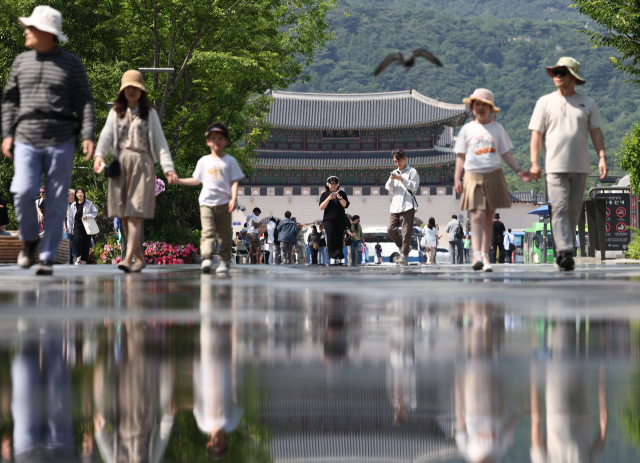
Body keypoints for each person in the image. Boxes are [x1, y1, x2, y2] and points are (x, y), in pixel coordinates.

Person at [2, 5, 96, 275]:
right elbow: (9, 102)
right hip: (26, 138)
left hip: (61, 140)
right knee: (21, 191)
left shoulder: (71, 63)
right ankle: (31, 239)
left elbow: (85, 102)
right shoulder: (21, 62)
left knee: (55, 201)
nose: (26, 31)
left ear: (46, 33)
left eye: (31, 27)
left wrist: (88, 134)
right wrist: (7, 132)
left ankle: (46, 255)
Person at [93, 70, 178, 273]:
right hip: (119, 164)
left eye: (135, 88)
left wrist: (168, 168)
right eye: (128, 88)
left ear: (141, 91)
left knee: (135, 212)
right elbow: (106, 135)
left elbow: (160, 143)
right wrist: (99, 156)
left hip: (142, 163)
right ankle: (139, 258)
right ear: (123, 90)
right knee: (123, 213)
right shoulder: (115, 112)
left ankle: (129, 257)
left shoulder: (150, 113)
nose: (131, 91)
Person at [529, 57, 608, 271]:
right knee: (560, 208)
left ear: (573, 76)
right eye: (555, 72)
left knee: (573, 210)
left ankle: (565, 251)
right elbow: (537, 134)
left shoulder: (587, 103)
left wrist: (602, 157)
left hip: (580, 166)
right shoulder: (544, 102)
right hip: (554, 167)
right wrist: (534, 163)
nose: (557, 76)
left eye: (562, 72)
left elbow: (596, 133)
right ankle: (565, 251)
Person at [454, 88, 530, 272]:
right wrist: (458, 177)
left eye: (484, 105)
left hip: (493, 175)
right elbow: (461, 156)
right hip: (472, 175)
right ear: (472, 107)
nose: (480, 108)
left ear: (490, 108)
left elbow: (505, 153)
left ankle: (485, 256)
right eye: (476, 104)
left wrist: (519, 171)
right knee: (477, 215)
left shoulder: (497, 129)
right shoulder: (467, 130)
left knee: (488, 217)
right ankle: (477, 255)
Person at [173, 121, 244, 274]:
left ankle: (224, 261)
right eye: (213, 138)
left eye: (220, 138)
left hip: (224, 203)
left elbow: (234, 181)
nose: (216, 141)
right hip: (206, 202)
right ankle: (206, 259)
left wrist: (233, 199)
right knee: (207, 231)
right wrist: (179, 180)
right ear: (208, 141)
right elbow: (196, 180)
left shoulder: (230, 161)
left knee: (224, 234)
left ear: (225, 141)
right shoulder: (203, 161)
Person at [385, 149, 419, 266]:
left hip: (407, 205)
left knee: (406, 232)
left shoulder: (412, 172)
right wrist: (391, 180)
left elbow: (414, 187)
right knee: (390, 229)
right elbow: (389, 189)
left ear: (405, 158)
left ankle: (404, 256)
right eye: (395, 161)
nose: (397, 164)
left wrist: (402, 179)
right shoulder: (395, 171)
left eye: (399, 161)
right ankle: (403, 247)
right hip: (395, 206)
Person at [319, 176, 350, 265]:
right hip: (329, 220)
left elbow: (345, 205)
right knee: (331, 237)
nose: (333, 185)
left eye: (335, 184)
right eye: (331, 184)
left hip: (340, 219)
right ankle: (333, 257)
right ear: (328, 185)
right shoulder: (325, 194)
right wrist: (328, 198)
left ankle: (339, 257)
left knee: (339, 238)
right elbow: (321, 207)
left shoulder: (342, 193)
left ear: (338, 185)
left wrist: (339, 198)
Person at [67, 188, 98, 265]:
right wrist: (70, 229)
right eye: (78, 193)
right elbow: (70, 217)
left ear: (83, 194)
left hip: (87, 225)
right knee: (77, 241)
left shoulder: (89, 203)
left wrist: (87, 216)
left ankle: (84, 259)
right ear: (76, 195)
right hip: (77, 224)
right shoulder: (73, 205)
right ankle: (78, 257)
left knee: (86, 242)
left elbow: (95, 212)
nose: (79, 194)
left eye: (81, 192)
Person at [63, 189, 77, 264]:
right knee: (66, 242)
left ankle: (75, 259)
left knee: (74, 243)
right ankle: (67, 260)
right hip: (66, 226)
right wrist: (64, 225)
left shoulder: (76, 204)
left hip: (74, 226)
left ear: (73, 196)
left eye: (68, 195)